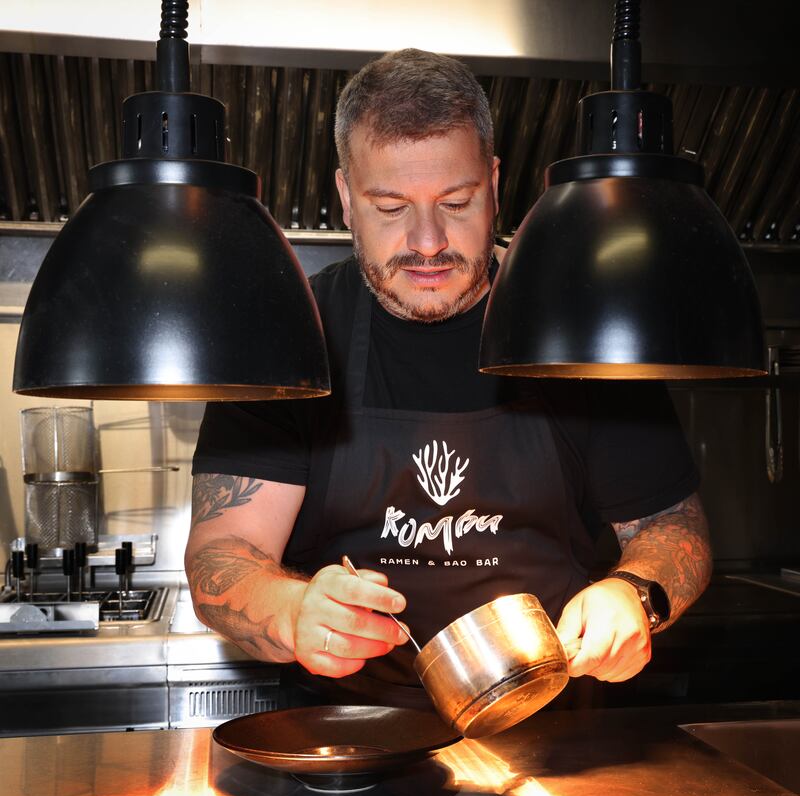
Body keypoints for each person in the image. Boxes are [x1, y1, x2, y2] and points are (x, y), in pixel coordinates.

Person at [186, 48, 712, 710]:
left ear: (494, 183)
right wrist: (292, 611)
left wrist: (634, 594)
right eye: (390, 206)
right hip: (350, 734)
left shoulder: (579, 326)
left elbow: (675, 528)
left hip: (553, 730)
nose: (428, 241)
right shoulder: (288, 334)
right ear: (346, 198)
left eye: (456, 202)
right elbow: (221, 554)